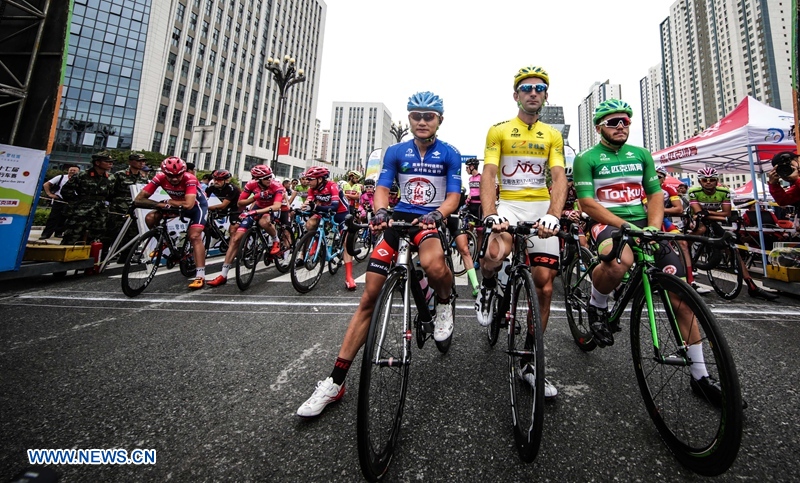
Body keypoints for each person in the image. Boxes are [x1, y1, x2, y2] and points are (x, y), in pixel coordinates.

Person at [296, 91, 461, 418]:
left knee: (432, 264)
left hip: (429, 221)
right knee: (369, 297)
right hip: (399, 220)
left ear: (439, 120)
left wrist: (438, 214)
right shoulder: (397, 151)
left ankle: (443, 303)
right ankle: (335, 381)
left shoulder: (450, 153)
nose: (422, 121)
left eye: (429, 116)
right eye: (416, 115)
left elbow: (454, 195)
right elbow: (383, 186)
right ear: (410, 118)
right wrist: (381, 210)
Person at [574, 98, 728, 405]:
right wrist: (624, 225)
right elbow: (587, 203)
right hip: (608, 222)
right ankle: (597, 304)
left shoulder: (641, 154)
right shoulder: (586, 158)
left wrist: (654, 227)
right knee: (620, 262)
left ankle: (700, 375)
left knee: (681, 299)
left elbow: (655, 194)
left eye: (626, 121)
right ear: (599, 128)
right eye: (614, 122)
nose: (621, 126)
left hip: (645, 223)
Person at [474, 66, 567, 399]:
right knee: (494, 253)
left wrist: (554, 215)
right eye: (526, 88)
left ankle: (529, 362)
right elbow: (489, 173)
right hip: (510, 205)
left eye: (539, 88)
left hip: (540, 207)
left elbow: (559, 177)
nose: (533, 93)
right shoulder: (499, 130)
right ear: (516, 95)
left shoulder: (552, 135)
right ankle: (488, 287)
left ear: (545, 96)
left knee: (544, 286)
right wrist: (490, 213)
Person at [687, 167, 778, 300]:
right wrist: (715, 215)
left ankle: (752, 286)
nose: (708, 182)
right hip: (695, 220)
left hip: (711, 220)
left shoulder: (724, 192)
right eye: (704, 180)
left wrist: (709, 213)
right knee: (696, 234)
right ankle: (686, 262)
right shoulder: (694, 191)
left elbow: (727, 213)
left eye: (712, 179)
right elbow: (698, 213)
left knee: (733, 249)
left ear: (717, 180)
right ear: (700, 181)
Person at [133, 156, 209, 289]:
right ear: (164, 173)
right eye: (170, 176)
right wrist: (161, 204)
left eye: (178, 175)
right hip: (176, 204)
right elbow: (139, 199)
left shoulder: (190, 178)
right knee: (150, 218)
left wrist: (167, 202)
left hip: (197, 207)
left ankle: (200, 276)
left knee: (194, 236)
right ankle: (164, 243)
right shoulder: (159, 178)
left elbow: (189, 205)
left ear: (183, 172)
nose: (174, 179)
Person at [206, 165, 282, 287]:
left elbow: (277, 206)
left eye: (269, 176)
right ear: (257, 180)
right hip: (257, 206)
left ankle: (275, 239)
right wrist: (256, 197)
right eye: (266, 178)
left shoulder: (276, 186)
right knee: (236, 239)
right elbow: (240, 203)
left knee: (263, 222)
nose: (269, 179)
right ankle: (223, 275)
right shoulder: (251, 185)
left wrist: (255, 211)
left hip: (271, 208)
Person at [299, 166, 356, 289]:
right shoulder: (311, 189)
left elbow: (334, 206)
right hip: (324, 211)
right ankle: (314, 245)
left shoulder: (332, 186)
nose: (308, 181)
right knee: (310, 224)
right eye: (307, 179)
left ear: (320, 179)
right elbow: (309, 202)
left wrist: (315, 207)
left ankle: (349, 277)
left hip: (340, 213)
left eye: (310, 179)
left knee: (346, 242)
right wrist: (303, 207)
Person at [652, 166, 703, 293]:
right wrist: (663, 210)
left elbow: (679, 209)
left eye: (659, 176)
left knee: (683, 244)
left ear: (664, 179)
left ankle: (690, 281)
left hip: (662, 219)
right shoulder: (643, 188)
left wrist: (660, 210)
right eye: (652, 175)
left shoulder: (669, 189)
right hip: (645, 221)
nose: (655, 178)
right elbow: (649, 208)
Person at [60, 151, 116, 246]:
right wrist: (77, 203)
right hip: (81, 212)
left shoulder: (110, 177)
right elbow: (66, 191)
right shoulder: (82, 175)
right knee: (73, 236)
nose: (110, 164)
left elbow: (111, 194)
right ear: (97, 162)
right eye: (107, 161)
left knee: (94, 239)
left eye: (111, 162)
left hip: (100, 212)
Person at [103, 153, 151, 259]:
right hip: (118, 209)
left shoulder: (143, 178)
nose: (142, 163)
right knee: (112, 232)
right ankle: (104, 257)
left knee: (132, 233)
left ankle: (125, 257)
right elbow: (109, 191)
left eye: (143, 161)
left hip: (135, 210)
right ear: (130, 162)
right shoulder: (119, 175)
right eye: (139, 161)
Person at [40, 165, 80, 239]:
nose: (72, 172)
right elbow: (46, 184)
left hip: (72, 201)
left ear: (78, 172)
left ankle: (59, 233)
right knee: (53, 217)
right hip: (59, 200)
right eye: (71, 170)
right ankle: (46, 234)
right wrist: (49, 194)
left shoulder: (80, 179)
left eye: (74, 170)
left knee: (65, 218)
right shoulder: (61, 177)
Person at [204, 169, 242, 239]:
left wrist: (205, 207)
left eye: (219, 180)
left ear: (226, 180)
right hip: (222, 208)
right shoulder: (211, 188)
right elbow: (203, 199)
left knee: (232, 230)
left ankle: (233, 243)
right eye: (215, 179)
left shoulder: (232, 188)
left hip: (235, 209)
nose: (216, 181)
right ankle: (217, 234)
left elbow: (223, 206)